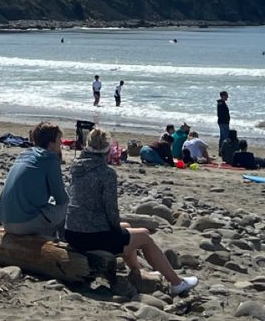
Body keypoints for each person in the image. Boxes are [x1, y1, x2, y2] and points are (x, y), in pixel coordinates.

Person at [65, 127, 198, 296]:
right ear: (107, 149)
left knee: (126, 226)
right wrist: (117, 231)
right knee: (144, 235)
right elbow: (111, 212)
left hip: (71, 231)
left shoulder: (76, 167)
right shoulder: (106, 174)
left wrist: (121, 230)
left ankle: (137, 271)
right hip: (90, 236)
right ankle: (177, 283)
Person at [0, 122, 68, 237]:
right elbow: (60, 198)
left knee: (49, 204)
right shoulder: (49, 159)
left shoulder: (24, 154)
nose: (61, 143)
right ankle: (61, 239)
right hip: (23, 223)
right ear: (51, 144)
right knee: (66, 204)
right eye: (59, 140)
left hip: (5, 220)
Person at [217, 91, 230, 155]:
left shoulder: (222, 103)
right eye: (226, 95)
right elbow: (221, 114)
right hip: (223, 122)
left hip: (223, 122)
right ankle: (224, 151)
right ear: (223, 96)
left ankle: (221, 151)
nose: (227, 97)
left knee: (222, 137)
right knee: (225, 137)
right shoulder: (221, 103)